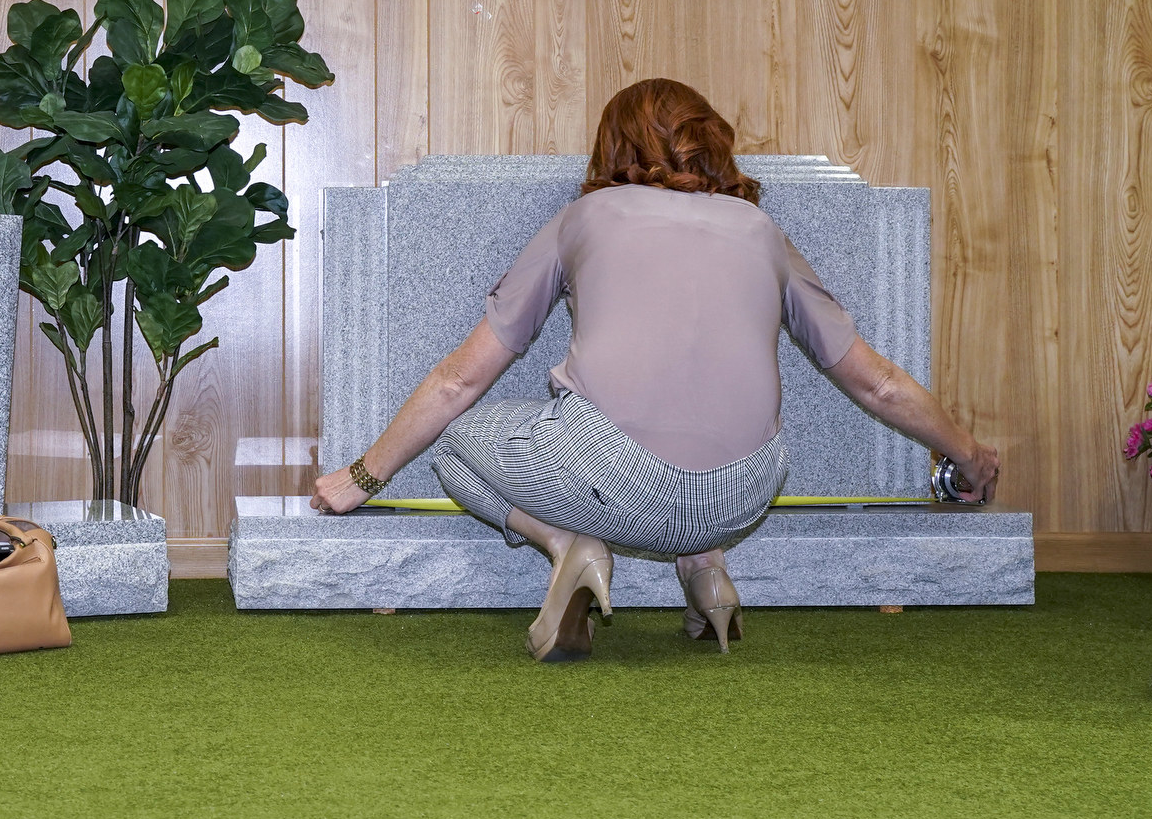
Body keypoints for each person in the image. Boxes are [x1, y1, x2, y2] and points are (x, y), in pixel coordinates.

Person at [308, 78, 1000, 662]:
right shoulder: (762, 232)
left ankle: (569, 545)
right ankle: (704, 571)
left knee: (459, 438)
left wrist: (363, 476)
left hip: (610, 483)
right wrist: (967, 457)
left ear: (613, 146)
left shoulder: (583, 217)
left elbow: (460, 381)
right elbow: (874, 380)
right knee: (692, 449)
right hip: (745, 495)